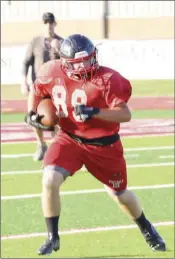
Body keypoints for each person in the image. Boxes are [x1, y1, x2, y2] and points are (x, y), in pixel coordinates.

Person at [25, 34, 166, 255]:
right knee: (49, 179)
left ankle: (146, 227)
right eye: (77, 62)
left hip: (104, 145)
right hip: (69, 138)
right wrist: (32, 114)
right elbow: (37, 90)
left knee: (119, 194)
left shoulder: (108, 79)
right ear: (64, 61)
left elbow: (125, 114)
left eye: (87, 59)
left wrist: (95, 112)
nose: (83, 66)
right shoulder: (51, 71)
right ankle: (52, 237)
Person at [21, 12, 63, 161]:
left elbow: (67, 64)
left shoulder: (61, 42)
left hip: (55, 88)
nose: (48, 25)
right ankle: (41, 144)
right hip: (37, 88)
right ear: (42, 24)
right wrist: (24, 81)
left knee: (55, 119)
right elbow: (26, 62)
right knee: (33, 117)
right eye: (46, 22)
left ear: (54, 24)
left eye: (51, 22)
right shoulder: (35, 42)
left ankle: (56, 148)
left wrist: (58, 50)